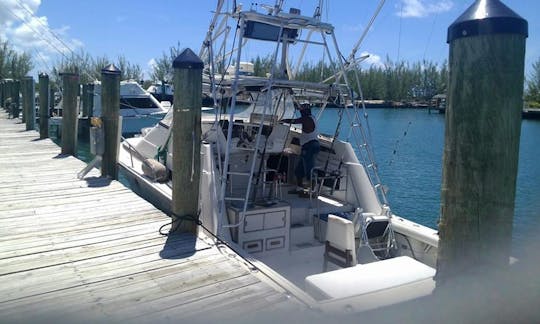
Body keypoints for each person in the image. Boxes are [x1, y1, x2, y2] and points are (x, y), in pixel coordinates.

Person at [280, 101, 320, 194]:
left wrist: (282, 121)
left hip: (310, 146)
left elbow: (294, 121)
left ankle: (313, 190)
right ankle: (299, 188)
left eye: (302, 110)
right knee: (299, 169)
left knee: (309, 168)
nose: (301, 112)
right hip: (309, 145)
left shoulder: (306, 119)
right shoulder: (311, 118)